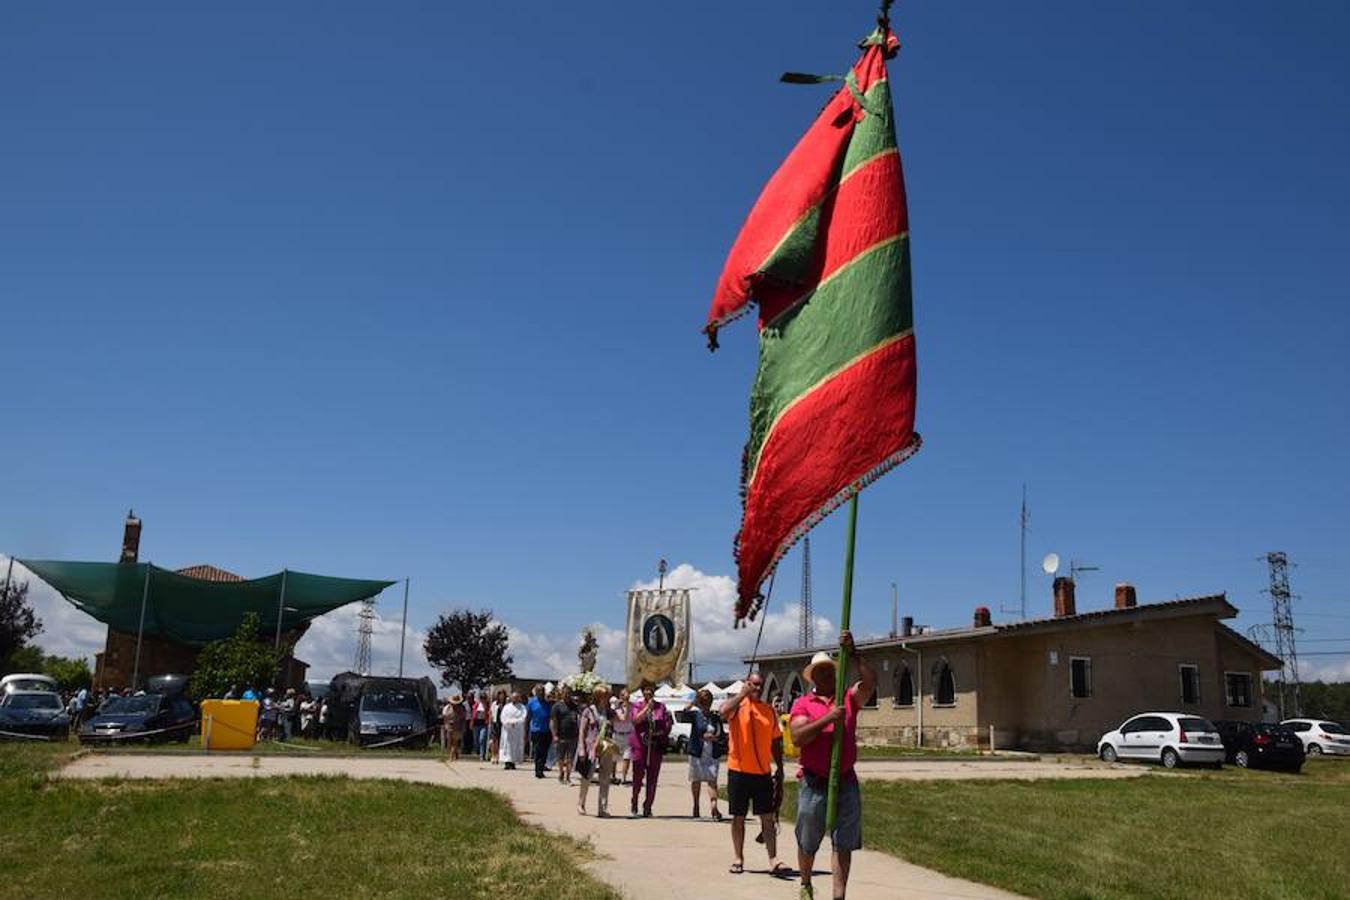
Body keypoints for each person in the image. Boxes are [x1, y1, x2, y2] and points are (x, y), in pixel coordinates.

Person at [789, 631, 874, 900]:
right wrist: (828, 719)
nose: (827, 675)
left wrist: (854, 653)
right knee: (808, 839)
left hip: (845, 780)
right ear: (812, 677)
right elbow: (798, 737)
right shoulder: (803, 704)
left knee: (844, 842)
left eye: (830, 670)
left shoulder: (847, 699)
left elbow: (870, 685)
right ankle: (806, 883)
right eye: (821, 671)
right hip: (814, 781)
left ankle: (839, 894)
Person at [720, 672, 786, 877]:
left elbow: (776, 741)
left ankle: (773, 860)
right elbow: (722, 711)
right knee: (738, 817)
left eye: (760, 685)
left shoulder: (768, 711)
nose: (757, 688)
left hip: (762, 773)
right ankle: (738, 858)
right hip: (738, 771)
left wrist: (780, 767)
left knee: (767, 818)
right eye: (754, 685)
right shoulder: (737, 708)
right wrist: (742, 694)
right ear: (747, 684)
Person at [628, 682, 671, 818]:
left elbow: (665, 726)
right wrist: (647, 708)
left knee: (652, 779)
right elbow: (635, 720)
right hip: (639, 745)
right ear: (642, 691)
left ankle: (648, 806)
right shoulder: (636, 705)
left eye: (651, 689)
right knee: (637, 777)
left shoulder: (661, 707)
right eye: (646, 689)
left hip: (655, 746)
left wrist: (659, 732)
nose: (648, 692)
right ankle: (634, 800)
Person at [576, 686, 617, 816]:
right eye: (604, 695)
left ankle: (602, 808)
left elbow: (622, 720)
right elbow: (582, 731)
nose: (606, 698)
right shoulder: (588, 711)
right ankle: (581, 804)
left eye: (607, 695)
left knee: (605, 778)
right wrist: (581, 749)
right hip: (590, 747)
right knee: (586, 777)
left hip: (606, 747)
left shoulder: (609, 712)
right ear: (598, 696)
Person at [687, 689, 724, 821]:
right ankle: (696, 805)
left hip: (712, 754)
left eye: (707, 702)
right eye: (703, 702)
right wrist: (693, 703)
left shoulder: (715, 717)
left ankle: (714, 807)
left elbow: (721, 735)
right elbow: (683, 714)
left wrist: (714, 738)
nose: (706, 705)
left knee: (712, 781)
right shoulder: (695, 715)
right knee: (696, 780)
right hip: (697, 753)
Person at [551, 686, 580, 785]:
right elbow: (553, 721)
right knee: (560, 757)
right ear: (562, 694)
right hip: (561, 736)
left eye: (569, 693)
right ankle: (561, 773)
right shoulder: (557, 706)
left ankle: (568, 776)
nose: (567, 695)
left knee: (570, 758)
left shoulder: (575, 706)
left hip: (573, 736)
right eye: (565, 693)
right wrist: (554, 735)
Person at [527, 684, 553, 779]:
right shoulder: (531, 703)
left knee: (545, 751)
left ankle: (541, 769)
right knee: (538, 751)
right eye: (539, 691)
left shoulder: (548, 703)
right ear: (536, 692)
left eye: (542, 691)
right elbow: (528, 717)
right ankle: (538, 771)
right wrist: (526, 731)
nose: (541, 693)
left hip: (546, 731)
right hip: (536, 730)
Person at [498, 691, 528, 770]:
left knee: (515, 746)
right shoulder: (506, 707)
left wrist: (515, 723)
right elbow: (502, 717)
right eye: (513, 697)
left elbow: (523, 717)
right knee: (507, 746)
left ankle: (513, 762)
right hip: (507, 730)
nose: (515, 699)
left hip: (517, 730)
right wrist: (508, 723)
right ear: (511, 698)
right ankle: (507, 762)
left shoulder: (522, 707)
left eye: (516, 698)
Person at [612, 688, 634, 785]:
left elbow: (628, 718)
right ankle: (613, 776)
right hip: (617, 734)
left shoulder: (632, 707)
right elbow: (620, 719)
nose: (626, 697)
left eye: (627, 695)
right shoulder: (615, 707)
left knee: (627, 757)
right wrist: (621, 706)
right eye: (624, 695)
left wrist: (628, 706)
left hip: (628, 735)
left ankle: (624, 778)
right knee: (614, 757)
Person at [489, 688, 507, 764]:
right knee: (494, 740)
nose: (501, 696)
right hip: (495, 723)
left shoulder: (506, 704)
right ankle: (493, 755)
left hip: (503, 723)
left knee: (501, 740)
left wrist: (502, 708)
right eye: (499, 694)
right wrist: (490, 718)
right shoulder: (494, 703)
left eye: (502, 694)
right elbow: (490, 712)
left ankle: (500, 755)